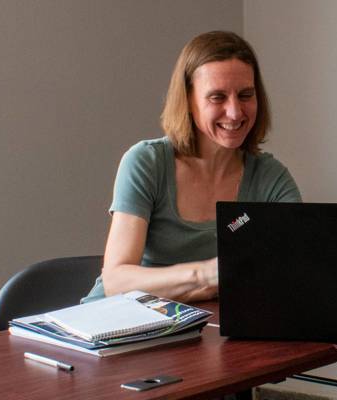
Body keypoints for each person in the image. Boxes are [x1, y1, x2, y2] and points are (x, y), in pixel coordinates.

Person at [87, 31, 301, 303]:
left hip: (199, 328)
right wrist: (207, 275)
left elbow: (294, 269)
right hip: (113, 326)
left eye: (245, 95)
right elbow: (116, 281)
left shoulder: (272, 178)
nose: (235, 112)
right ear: (188, 100)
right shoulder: (146, 162)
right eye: (217, 97)